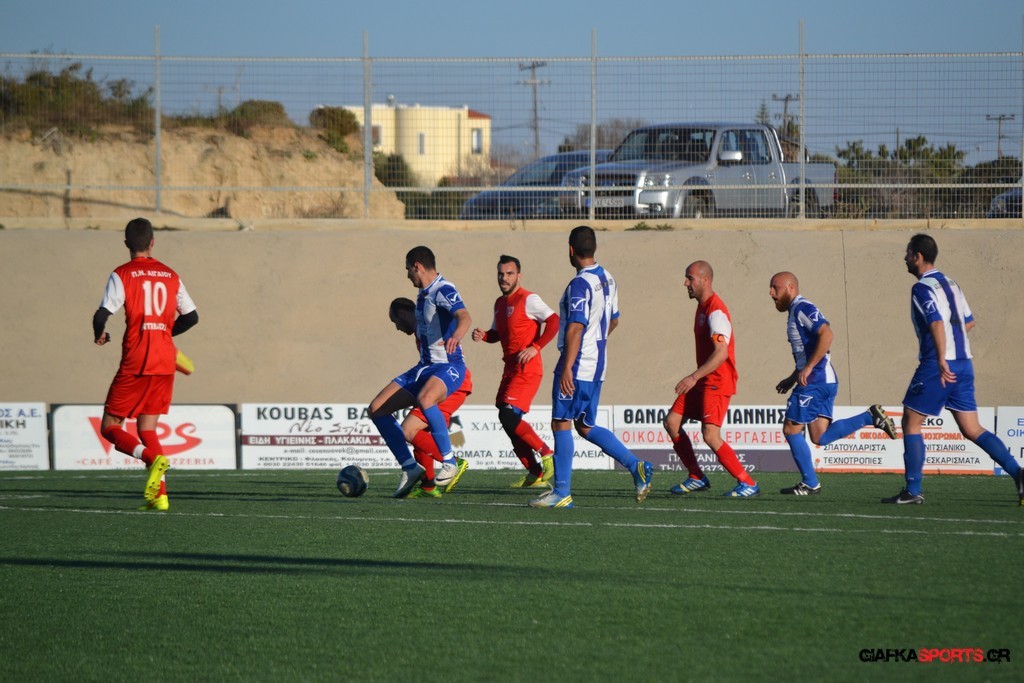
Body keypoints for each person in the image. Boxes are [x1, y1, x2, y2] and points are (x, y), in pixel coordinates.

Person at [886, 234, 1024, 505]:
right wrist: (951, 345)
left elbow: (936, 322)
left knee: (911, 422)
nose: (905, 258)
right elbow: (968, 322)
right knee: (972, 428)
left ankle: (912, 490)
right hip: (964, 363)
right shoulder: (951, 283)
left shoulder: (922, 288)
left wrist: (940, 357)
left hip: (939, 365)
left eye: (908, 253)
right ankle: (1018, 473)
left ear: (918, 257)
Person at [529, 226, 653, 509]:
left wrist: (568, 367)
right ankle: (636, 466)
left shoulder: (579, 284)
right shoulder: (608, 278)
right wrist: (595, 344)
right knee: (585, 425)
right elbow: (614, 320)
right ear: (594, 248)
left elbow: (575, 327)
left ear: (570, 250)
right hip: (597, 365)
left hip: (577, 364)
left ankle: (562, 492)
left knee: (561, 422)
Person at [92, 217, 199, 512]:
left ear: (127, 243)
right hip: (165, 360)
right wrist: (164, 334)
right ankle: (159, 496)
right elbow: (191, 317)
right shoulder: (171, 274)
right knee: (148, 428)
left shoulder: (122, 274)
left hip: (137, 360)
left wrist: (99, 333)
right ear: (152, 242)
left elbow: (102, 314)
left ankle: (151, 459)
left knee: (110, 426)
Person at [768, 271, 898, 495]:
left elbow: (827, 334)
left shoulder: (802, 308)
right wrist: (792, 378)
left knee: (791, 429)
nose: (771, 293)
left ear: (790, 287)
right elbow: (807, 352)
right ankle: (870, 416)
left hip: (815, 381)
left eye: (775, 288)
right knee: (820, 436)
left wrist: (809, 368)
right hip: (824, 380)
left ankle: (810, 483)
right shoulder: (795, 311)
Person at [368, 246, 472, 498]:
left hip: (449, 366)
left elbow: (464, 316)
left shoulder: (443, 289)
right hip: (424, 368)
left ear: (417, 266)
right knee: (376, 409)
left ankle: (449, 461)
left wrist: (456, 336)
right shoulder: (423, 295)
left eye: (408, 270)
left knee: (426, 399)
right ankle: (410, 467)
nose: (407, 275)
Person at [664, 260, 759, 497]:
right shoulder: (702, 307)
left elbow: (721, 353)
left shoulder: (716, 311)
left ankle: (748, 482)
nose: (685, 283)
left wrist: (693, 377)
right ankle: (696, 476)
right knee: (672, 422)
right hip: (704, 380)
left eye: (690, 278)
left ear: (705, 280)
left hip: (717, 381)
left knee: (710, 435)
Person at [471, 255, 559, 488]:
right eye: (501, 274)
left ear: (519, 275)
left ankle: (546, 453)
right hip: (510, 369)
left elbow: (554, 321)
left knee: (507, 416)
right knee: (508, 420)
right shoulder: (499, 304)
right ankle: (535, 472)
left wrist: (535, 347)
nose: (504, 278)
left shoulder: (529, 299)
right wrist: (484, 336)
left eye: (509, 273)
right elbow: (497, 334)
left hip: (527, 369)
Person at [389, 297, 473, 498]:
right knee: (419, 433)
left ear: (403, 314)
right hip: (443, 384)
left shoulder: (428, 325)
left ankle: (453, 462)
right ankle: (428, 485)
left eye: (395, 321)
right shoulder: (420, 333)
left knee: (409, 429)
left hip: (452, 384)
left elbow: (461, 317)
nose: (397, 327)